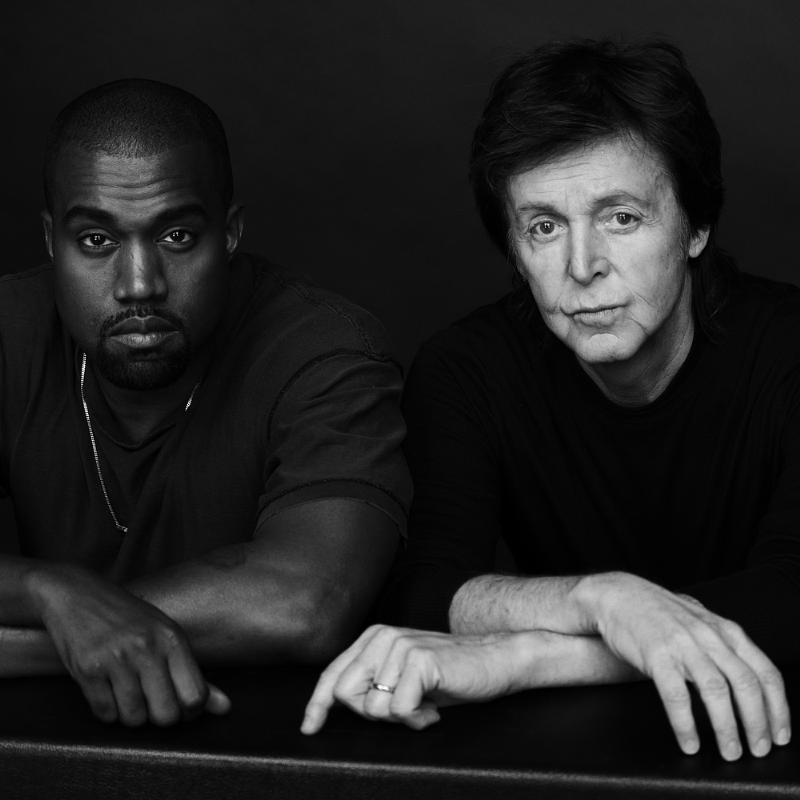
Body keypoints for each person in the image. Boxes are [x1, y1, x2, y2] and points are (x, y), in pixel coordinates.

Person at [301, 39, 798, 762]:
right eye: (544, 226)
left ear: (695, 227)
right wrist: (600, 599)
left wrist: (528, 657)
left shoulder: (789, 354)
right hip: (572, 757)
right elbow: (424, 590)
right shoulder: (468, 369)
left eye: (621, 218)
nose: (582, 266)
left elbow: (792, 596)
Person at [0, 79, 411, 727]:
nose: (139, 285)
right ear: (52, 240)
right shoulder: (9, 332)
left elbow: (307, 602)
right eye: (97, 241)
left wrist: (53, 642)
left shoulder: (324, 348)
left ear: (230, 232)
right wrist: (51, 591)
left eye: (176, 236)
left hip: (277, 747)